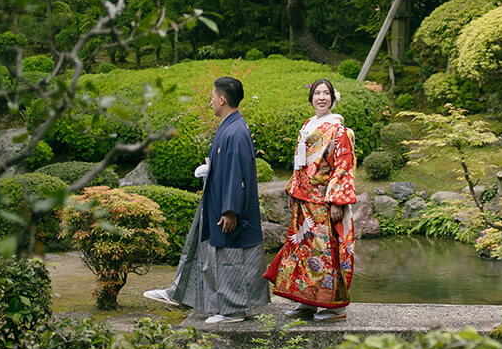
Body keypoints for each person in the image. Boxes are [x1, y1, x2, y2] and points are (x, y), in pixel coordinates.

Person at [143, 76, 270, 323]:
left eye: (212, 96)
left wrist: (231, 210)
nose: (210, 101)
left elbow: (236, 172)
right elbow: (228, 167)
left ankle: (233, 311)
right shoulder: (231, 126)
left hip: (228, 206)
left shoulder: (234, 130)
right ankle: (182, 293)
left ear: (222, 99)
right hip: (217, 201)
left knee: (229, 257)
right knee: (206, 251)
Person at [264, 78, 357, 322]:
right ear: (311, 98)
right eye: (317, 93)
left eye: (326, 93)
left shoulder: (338, 131)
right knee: (303, 251)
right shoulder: (308, 125)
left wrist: (338, 200)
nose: (321, 97)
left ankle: (335, 306)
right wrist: (293, 189)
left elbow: (343, 165)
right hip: (304, 200)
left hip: (324, 201)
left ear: (333, 98)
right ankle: (306, 302)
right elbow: (300, 163)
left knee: (325, 252)